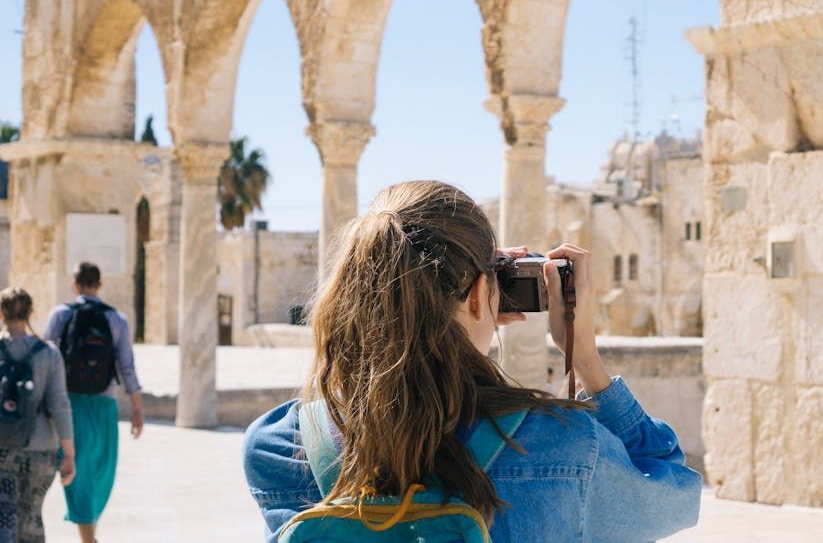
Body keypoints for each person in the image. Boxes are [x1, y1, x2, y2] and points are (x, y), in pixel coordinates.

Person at [243, 181, 701, 542]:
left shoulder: (277, 447)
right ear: (483, 293)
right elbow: (675, 493)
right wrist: (587, 363)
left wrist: (476, 287)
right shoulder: (561, 446)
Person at [44, 263, 144, 543]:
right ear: (100, 285)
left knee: (80, 470)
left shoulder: (61, 314)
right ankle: (89, 537)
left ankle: (88, 534)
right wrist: (137, 408)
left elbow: (46, 362)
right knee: (101, 471)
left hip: (68, 403)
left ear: (74, 284)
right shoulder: (117, 320)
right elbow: (127, 368)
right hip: (104, 404)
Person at [0, 287, 75, 543]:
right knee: (31, 517)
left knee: (4, 517)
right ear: (32, 312)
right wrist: (70, 455)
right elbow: (59, 405)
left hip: (2, 448)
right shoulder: (48, 353)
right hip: (42, 449)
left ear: (2, 313)